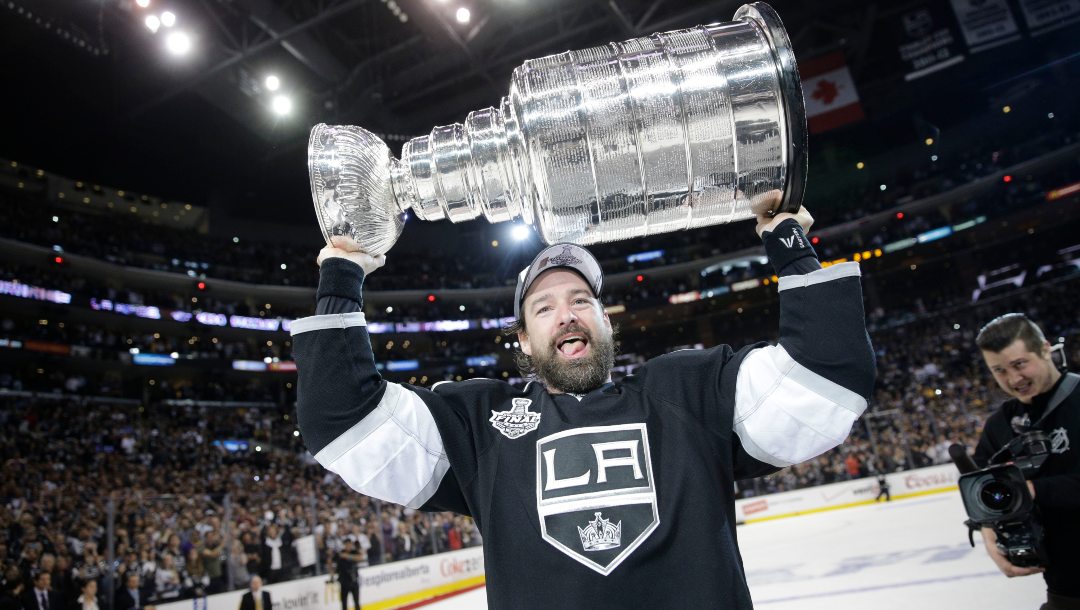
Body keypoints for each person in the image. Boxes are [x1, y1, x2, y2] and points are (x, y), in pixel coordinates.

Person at [291, 191, 876, 608]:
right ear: (522, 340)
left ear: (603, 320)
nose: (566, 313)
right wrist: (343, 272)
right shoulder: (480, 425)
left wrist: (787, 241)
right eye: (543, 308)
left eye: (580, 300)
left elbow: (823, 381)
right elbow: (345, 420)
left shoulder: (689, 392)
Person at [972, 314, 1079, 609]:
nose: (1013, 379)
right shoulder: (1000, 426)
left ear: (1045, 348)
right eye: (999, 370)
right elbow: (982, 489)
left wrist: (1032, 489)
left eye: (1020, 364)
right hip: (1064, 592)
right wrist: (989, 535)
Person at [331, 540, 362, 610]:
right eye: (347, 544)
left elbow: (360, 557)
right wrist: (332, 575)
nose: (348, 546)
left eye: (350, 544)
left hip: (354, 581)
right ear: (344, 545)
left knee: (356, 602)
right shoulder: (340, 553)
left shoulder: (354, 552)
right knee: (344, 603)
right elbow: (332, 562)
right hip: (344, 582)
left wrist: (347, 556)